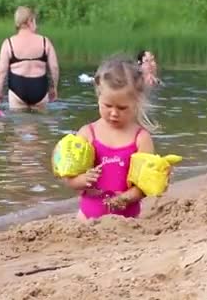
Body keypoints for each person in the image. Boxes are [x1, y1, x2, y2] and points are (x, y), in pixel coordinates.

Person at [64, 55, 157, 220]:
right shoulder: (87, 133)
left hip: (128, 221)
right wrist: (82, 180)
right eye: (108, 106)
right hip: (87, 217)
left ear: (136, 102)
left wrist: (127, 197)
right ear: (98, 96)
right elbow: (69, 180)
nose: (114, 113)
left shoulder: (141, 138)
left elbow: (144, 184)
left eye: (122, 108)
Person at [0, 6, 60, 110]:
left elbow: (1, 71)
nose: (36, 25)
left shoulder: (8, 43)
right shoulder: (44, 41)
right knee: (40, 123)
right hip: (40, 88)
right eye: (35, 21)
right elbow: (54, 67)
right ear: (29, 21)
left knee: (19, 122)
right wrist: (54, 88)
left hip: (17, 88)